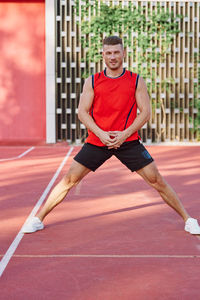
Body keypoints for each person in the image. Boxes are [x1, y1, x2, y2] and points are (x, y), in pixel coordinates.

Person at [23, 36, 200, 235]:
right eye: (109, 53)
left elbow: (145, 112)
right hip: (98, 140)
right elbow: (82, 112)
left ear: (123, 53)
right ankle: (38, 219)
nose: (113, 56)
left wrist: (124, 134)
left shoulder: (135, 80)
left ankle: (188, 219)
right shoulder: (93, 81)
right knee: (70, 180)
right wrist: (101, 134)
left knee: (156, 180)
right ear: (103, 55)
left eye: (116, 52)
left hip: (128, 141)